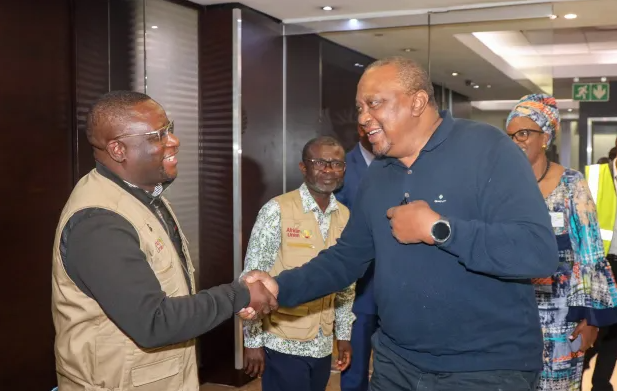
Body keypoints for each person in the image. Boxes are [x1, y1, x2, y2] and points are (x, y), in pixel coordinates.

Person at [240, 56, 560, 391]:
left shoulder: (489, 149)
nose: (363, 118)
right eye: (360, 107)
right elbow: (345, 259)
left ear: (418, 101)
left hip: (485, 369)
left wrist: (440, 230)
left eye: (374, 104)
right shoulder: (379, 173)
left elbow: (537, 251)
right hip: (396, 364)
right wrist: (280, 286)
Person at [51, 91, 277, 391]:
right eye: (159, 135)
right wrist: (240, 295)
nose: (174, 141)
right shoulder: (99, 223)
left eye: (169, 129)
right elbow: (154, 322)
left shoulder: (144, 196)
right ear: (118, 149)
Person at [506, 93, 617, 391]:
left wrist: (590, 318)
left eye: (524, 133)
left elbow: (590, 254)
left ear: (546, 136)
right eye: (511, 135)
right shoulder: (501, 185)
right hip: (509, 317)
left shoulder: (572, 184)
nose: (516, 140)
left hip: (561, 322)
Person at [241, 136, 355, 391]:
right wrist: (252, 341)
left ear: (344, 170)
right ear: (304, 167)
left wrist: (344, 335)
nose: (328, 170)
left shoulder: (346, 217)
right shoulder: (276, 210)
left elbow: (347, 282)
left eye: (336, 164)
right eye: (319, 163)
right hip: (282, 341)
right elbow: (252, 280)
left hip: (322, 342)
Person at [335, 125, 379, 391]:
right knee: (354, 366)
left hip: (393, 285)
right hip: (358, 289)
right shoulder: (343, 168)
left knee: (392, 366)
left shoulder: (398, 161)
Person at [583, 149, 617, 391]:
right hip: (600, 263)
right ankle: (577, 371)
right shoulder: (595, 177)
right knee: (596, 325)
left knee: (615, 330)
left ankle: (602, 384)